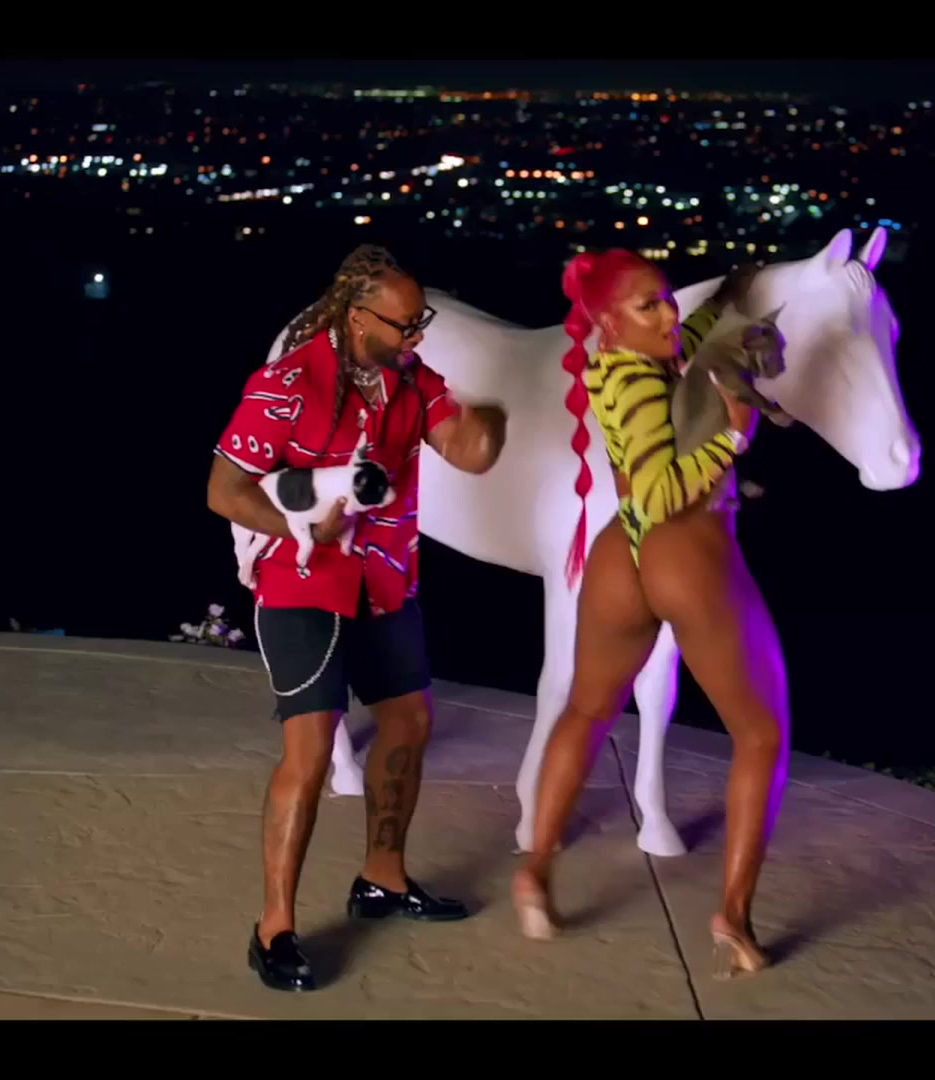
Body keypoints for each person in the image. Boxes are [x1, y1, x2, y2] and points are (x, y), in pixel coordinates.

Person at [206, 244, 507, 991]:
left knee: (409, 723)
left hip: (386, 580)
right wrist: (302, 526)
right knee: (309, 753)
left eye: (421, 321)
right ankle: (273, 928)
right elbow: (224, 491)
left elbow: (466, 451)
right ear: (358, 315)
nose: (417, 335)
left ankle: (383, 878)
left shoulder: (412, 378)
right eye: (406, 324)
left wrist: (493, 420)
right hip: (301, 582)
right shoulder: (285, 387)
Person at [512, 251, 790, 978]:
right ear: (608, 321)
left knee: (585, 711)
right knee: (761, 735)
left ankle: (535, 873)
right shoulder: (637, 379)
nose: (668, 314)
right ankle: (735, 917)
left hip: (619, 558)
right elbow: (659, 495)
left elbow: (682, 338)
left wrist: (727, 295)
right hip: (680, 547)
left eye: (667, 298)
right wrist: (733, 437)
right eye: (649, 305)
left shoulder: (626, 357)